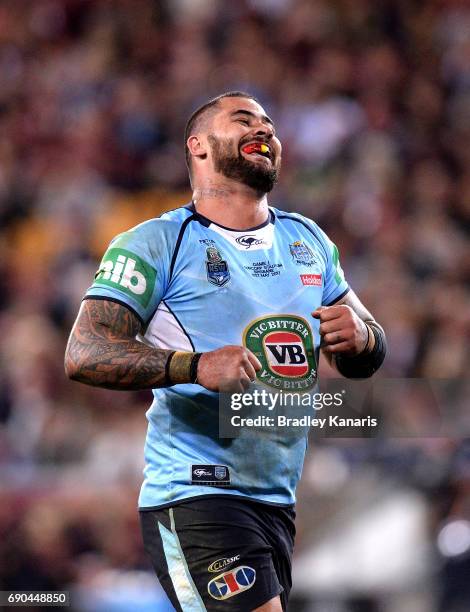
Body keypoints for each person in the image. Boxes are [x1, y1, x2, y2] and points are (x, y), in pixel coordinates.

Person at [64, 91, 386, 612]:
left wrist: (363, 336)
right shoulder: (155, 243)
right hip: (196, 493)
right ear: (199, 146)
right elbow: (84, 351)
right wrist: (193, 366)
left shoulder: (308, 240)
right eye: (244, 120)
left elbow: (367, 350)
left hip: (277, 500)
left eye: (270, 124)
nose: (264, 130)